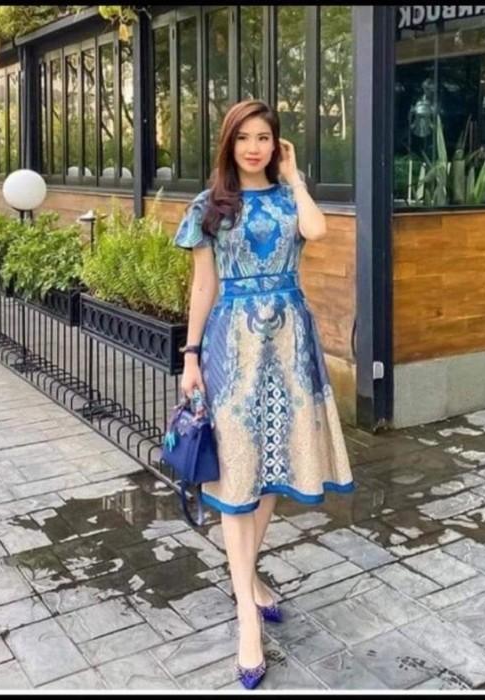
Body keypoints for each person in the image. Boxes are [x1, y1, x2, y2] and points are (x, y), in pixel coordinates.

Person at [172, 99, 355, 690]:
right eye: (244, 138)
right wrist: (191, 357)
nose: (254, 147)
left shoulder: (287, 198)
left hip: (289, 345)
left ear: (278, 145)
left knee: (272, 468)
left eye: (264, 138)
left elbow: (318, 230)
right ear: (228, 144)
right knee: (236, 474)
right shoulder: (209, 206)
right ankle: (247, 619)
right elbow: (203, 285)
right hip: (233, 348)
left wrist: (296, 179)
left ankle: (247, 577)